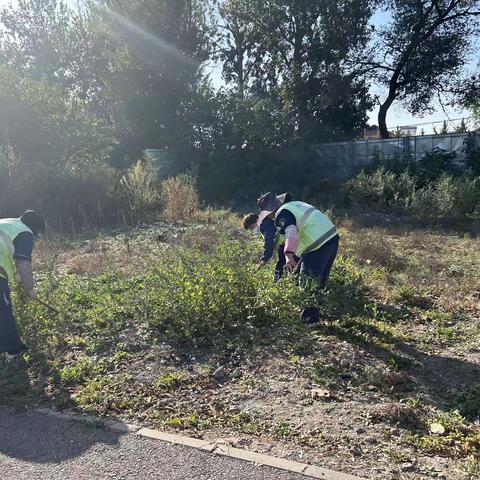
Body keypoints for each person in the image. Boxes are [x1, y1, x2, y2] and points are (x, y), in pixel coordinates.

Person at [257, 192, 340, 325]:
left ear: (272, 209)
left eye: (268, 214)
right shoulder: (295, 205)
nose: (270, 217)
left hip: (317, 244)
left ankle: (310, 319)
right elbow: (285, 238)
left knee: (306, 281)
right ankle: (316, 313)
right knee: (321, 278)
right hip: (332, 238)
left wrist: (289, 254)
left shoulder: (282, 213)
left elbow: (291, 233)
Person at [0, 210, 45, 358]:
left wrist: (16, 276)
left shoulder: (8, 223)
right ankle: (13, 350)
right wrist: (29, 288)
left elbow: (6, 252)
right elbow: (23, 261)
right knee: (3, 311)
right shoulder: (25, 232)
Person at [243, 212, 288, 282]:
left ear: (257, 220)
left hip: (288, 243)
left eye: (252, 227)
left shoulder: (265, 225)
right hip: (287, 242)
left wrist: (264, 260)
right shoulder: (268, 222)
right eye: (251, 229)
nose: (253, 230)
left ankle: (279, 283)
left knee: (280, 268)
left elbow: (269, 243)